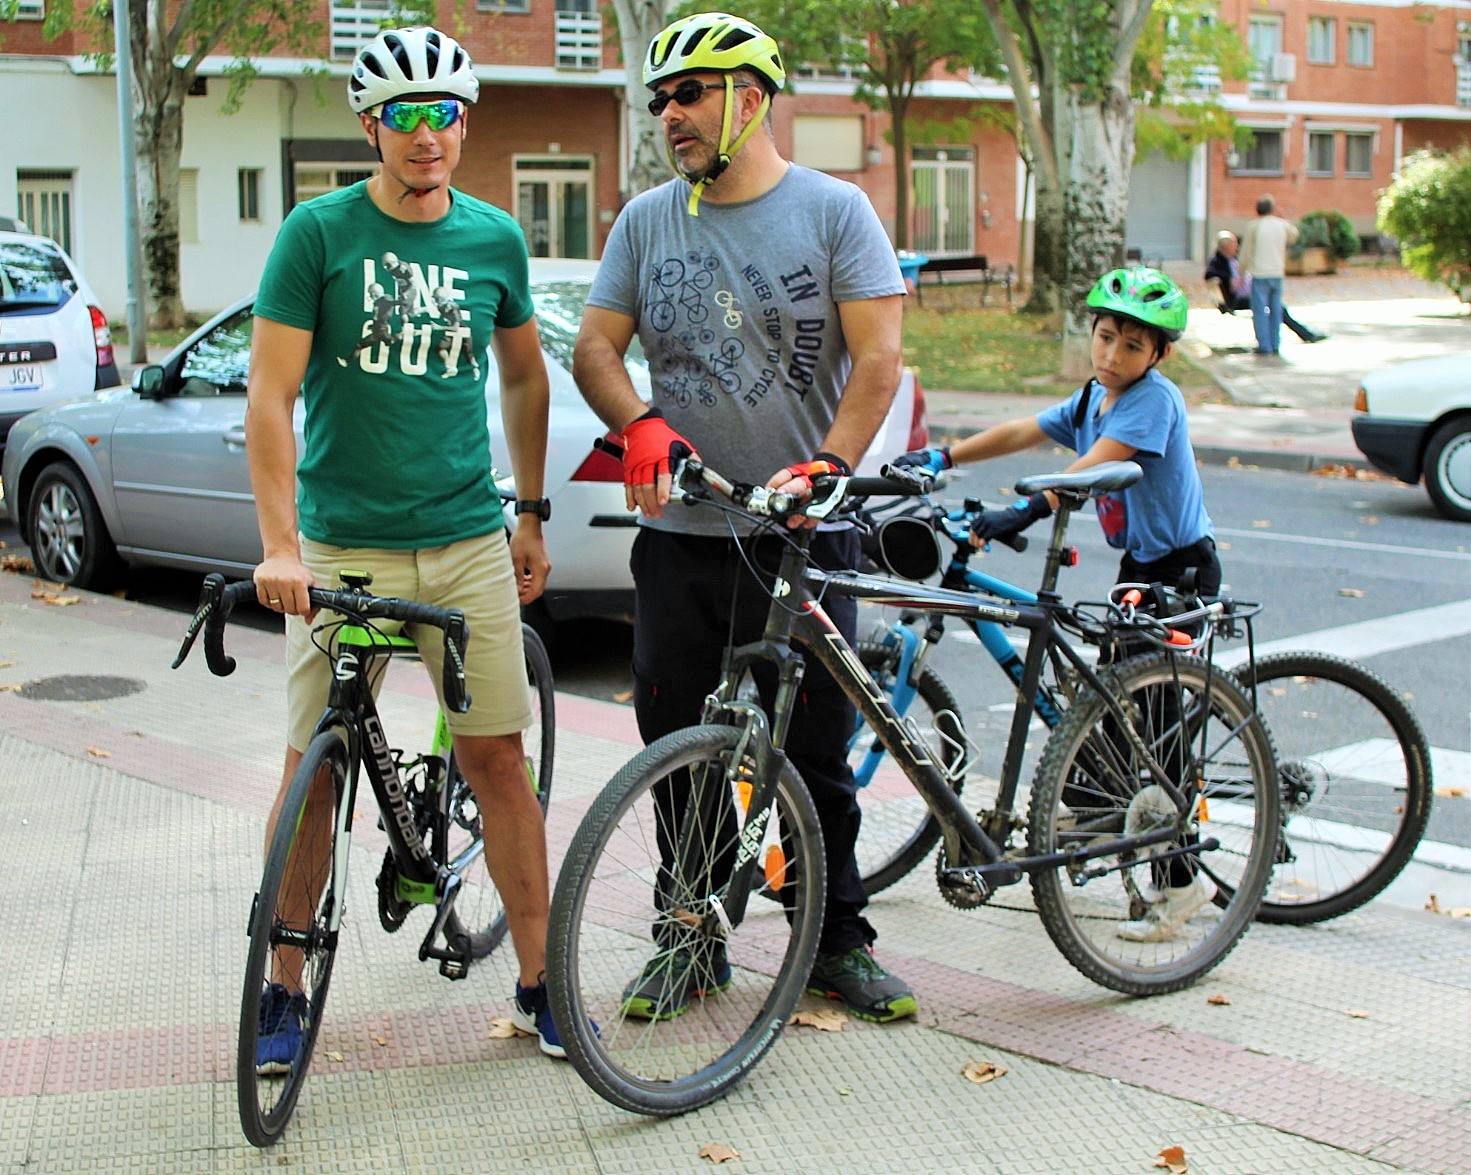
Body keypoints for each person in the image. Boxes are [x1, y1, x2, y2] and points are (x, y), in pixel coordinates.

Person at [571, 11, 917, 1022]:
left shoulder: (832, 210)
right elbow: (594, 347)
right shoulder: (644, 222)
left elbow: (878, 355)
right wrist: (635, 422)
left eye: (688, 93)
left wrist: (832, 462)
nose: (669, 114)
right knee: (678, 746)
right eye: (659, 100)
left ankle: (833, 942)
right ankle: (689, 939)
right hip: (684, 534)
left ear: (749, 98)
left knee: (813, 752)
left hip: (802, 537)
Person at [245, 26, 564, 1067]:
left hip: (468, 537)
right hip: (344, 551)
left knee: (496, 762)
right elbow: (271, 393)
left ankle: (539, 982)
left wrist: (529, 513)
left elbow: (523, 376)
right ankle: (282, 987)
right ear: (371, 126)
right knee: (315, 770)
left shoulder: (493, 240)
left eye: (446, 114)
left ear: (466, 121)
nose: (428, 135)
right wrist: (281, 544)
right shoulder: (316, 234)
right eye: (406, 116)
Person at [892, 266, 1219, 942]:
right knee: (1118, 709)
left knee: (1153, 722)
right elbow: (1023, 431)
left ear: (1158, 355)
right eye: (1104, 337)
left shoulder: (1150, 401)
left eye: (1131, 346)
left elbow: (1090, 468)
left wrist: (1021, 510)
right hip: (1140, 566)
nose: (1111, 355)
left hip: (1179, 569)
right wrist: (941, 455)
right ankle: (1108, 815)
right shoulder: (1093, 396)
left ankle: (1180, 883)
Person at [1205, 230, 1323, 344]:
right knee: (1276, 306)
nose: (1237, 246)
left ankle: (1301, 334)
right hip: (1237, 299)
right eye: (1234, 244)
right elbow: (1212, 277)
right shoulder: (1218, 263)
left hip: (1248, 293)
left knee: (1277, 306)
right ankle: (1296, 336)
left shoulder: (1231, 259)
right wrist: (1232, 281)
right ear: (1226, 246)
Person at [1239, 195, 1299, 355]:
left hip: (1259, 273)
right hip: (1277, 273)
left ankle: (1264, 345)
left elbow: (1245, 253)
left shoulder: (1253, 226)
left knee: (1259, 311)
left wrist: (1240, 274)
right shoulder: (1282, 225)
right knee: (1276, 309)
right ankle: (1275, 343)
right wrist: (1283, 218)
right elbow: (1294, 236)